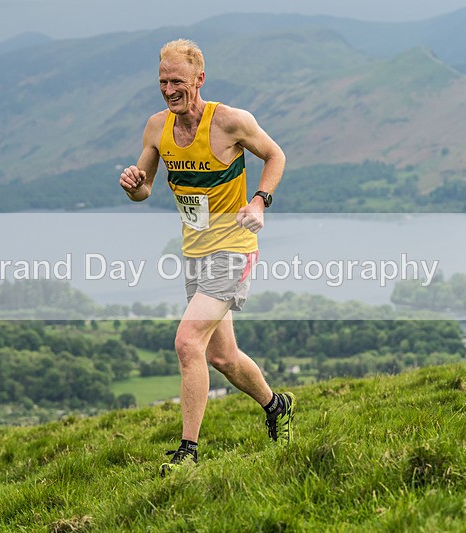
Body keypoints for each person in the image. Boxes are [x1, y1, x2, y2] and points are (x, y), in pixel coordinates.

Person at [118, 38, 294, 477]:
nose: (168, 89)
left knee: (186, 342)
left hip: (234, 248)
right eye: (162, 81)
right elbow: (144, 189)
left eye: (177, 80)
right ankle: (278, 405)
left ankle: (187, 454)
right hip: (194, 252)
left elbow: (276, 155)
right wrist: (133, 183)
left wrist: (258, 202)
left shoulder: (231, 122)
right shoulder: (157, 127)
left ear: (199, 79)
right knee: (222, 357)